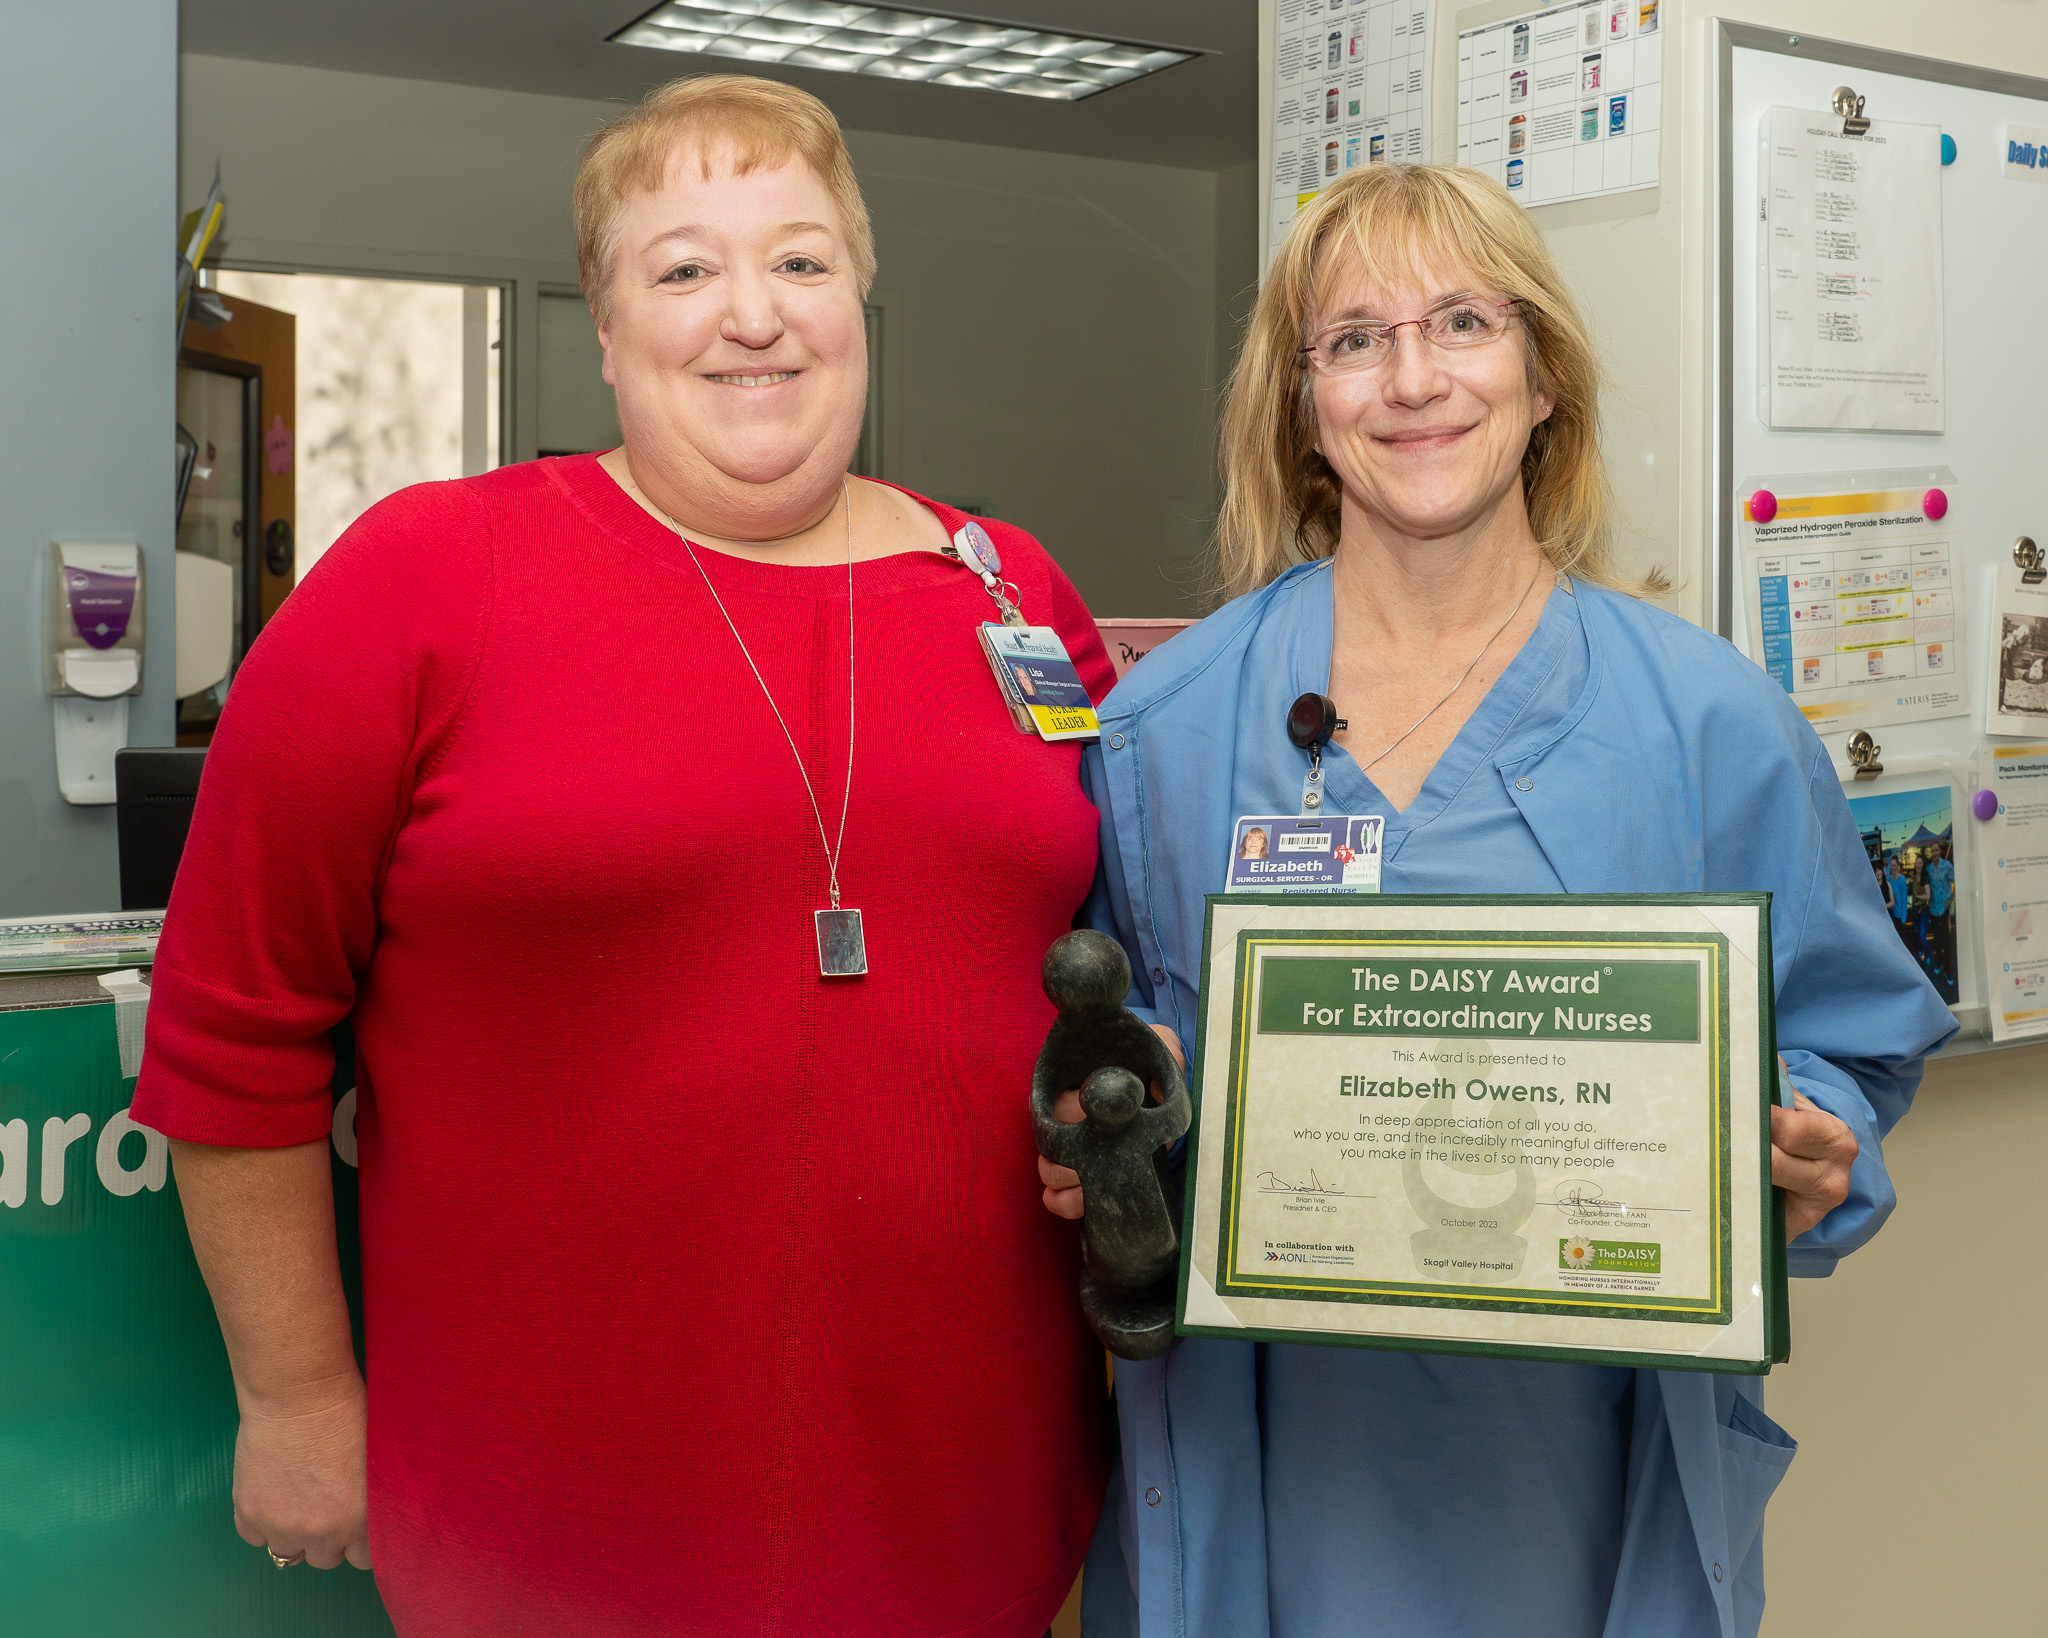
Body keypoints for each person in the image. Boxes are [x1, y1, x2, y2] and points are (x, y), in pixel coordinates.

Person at [134, 74, 1115, 1638]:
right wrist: (302, 1399)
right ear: (604, 330)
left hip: (973, 1511)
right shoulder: (428, 579)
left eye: (800, 261)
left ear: (860, 296)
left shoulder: (1013, 595)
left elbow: (1111, 960)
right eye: (683, 269)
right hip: (549, 1530)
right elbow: (232, 1028)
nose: (754, 315)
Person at [1038, 164, 1956, 1638]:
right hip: (1262, 1470)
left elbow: (1849, 1039)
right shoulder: (1173, 724)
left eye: (1462, 322)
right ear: (1303, 402)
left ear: (1543, 382)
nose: (1413, 380)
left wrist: (1803, 1133)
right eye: (1352, 339)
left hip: (1583, 1477)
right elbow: (1123, 1054)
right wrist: (1113, 1133)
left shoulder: (1707, 721)